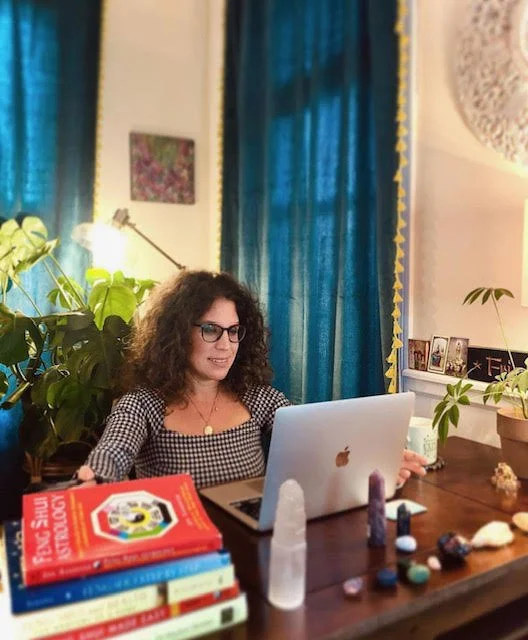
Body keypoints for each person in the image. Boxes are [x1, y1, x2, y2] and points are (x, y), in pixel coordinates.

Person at [76, 270, 426, 489]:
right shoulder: (142, 406)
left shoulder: (259, 399)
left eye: (233, 331)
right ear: (177, 334)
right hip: (185, 555)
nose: (226, 344)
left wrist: (373, 462)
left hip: (253, 544)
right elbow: (113, 452)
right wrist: (93, 478)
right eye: (211, 330)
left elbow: (320, 444)